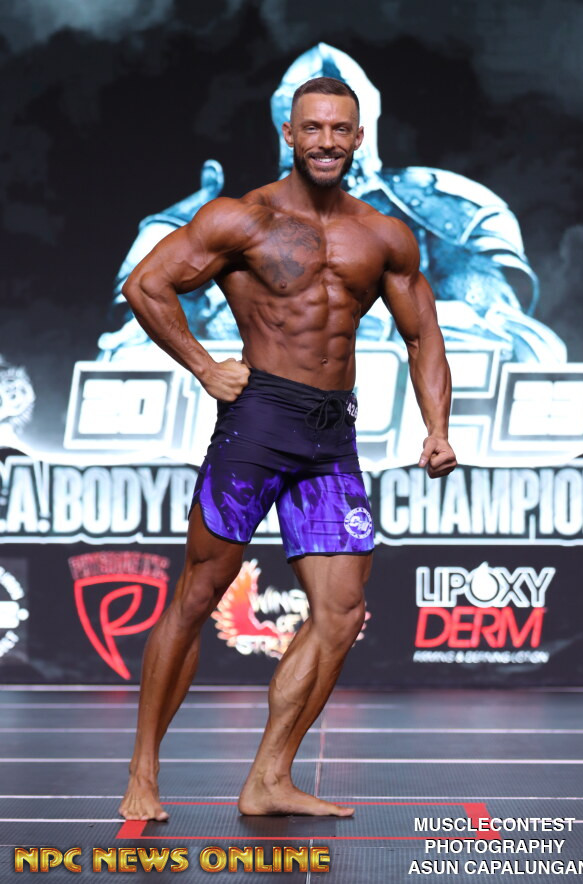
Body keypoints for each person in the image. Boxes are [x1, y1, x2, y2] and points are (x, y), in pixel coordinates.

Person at [118, 76, 457, 822]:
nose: (326, 141)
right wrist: (204, 367)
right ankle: (143, 770)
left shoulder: (384, 236)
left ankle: (270, 776)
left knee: (342, 611)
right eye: (313, 128)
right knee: (199, 595)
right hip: (259, 422)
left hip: (332, 436)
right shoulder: (243, 219)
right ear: (290, 135)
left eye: (340, 129)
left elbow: (422, 335)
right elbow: (147, 285)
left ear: (358, 138)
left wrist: (437, 428)